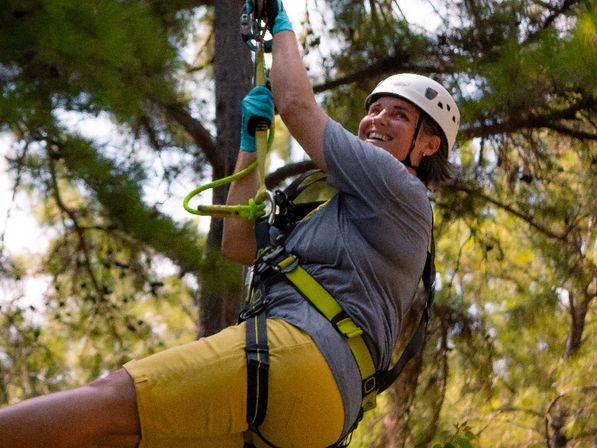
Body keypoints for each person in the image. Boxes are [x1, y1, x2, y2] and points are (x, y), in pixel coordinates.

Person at [0, 1, 460, 447]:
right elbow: (238, 246)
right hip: (322, 411)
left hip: (295, 353)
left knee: (105, 402)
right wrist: (250, 140)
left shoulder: (399, 185)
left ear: (427, 147)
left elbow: (297, 105)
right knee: (115, 438)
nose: (376, 119)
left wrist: (280, 24)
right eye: (375, 109)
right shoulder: (345, 210)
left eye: (399, 115)